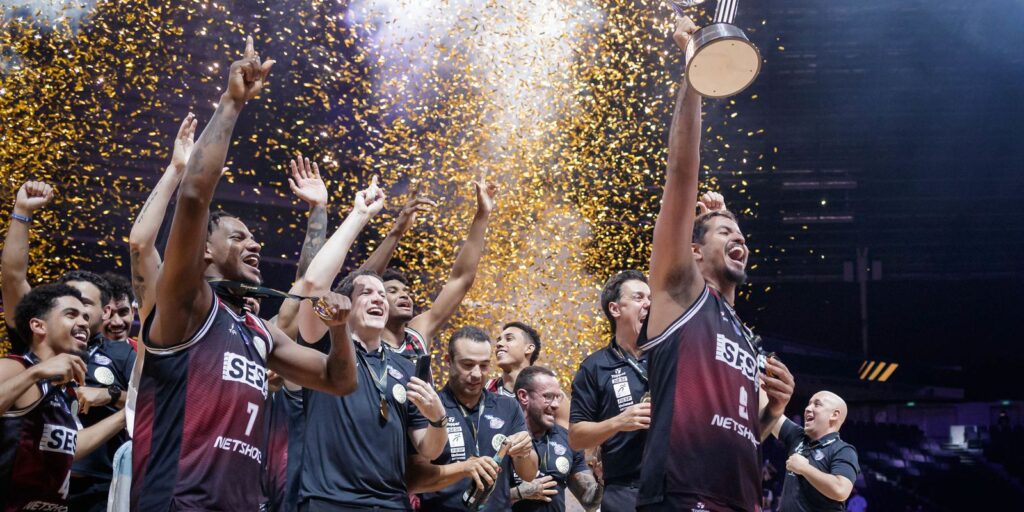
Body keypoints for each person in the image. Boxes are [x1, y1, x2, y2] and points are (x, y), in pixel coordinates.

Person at [130, 37, 359, 511]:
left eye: (253, 238)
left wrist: (339, 333)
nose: (254, 243)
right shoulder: (187, 305)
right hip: (177, 503)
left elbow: (338, 380)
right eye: (237, 237)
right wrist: (233, 102)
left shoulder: (258, 330)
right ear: (205, 254)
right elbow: (194, 195)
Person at [636, 15, 795, 511]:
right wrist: (694, 70)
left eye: (742, 234)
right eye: (726, 231)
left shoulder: (746, 336)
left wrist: (776, 409)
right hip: (682, 495)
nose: (739, 238)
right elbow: (682, 173)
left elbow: (749, 428)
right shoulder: (681, 292)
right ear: (695, 250)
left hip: (743, 499)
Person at [297, 270, 449, 511]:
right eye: (366, 293)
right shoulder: (325, 347)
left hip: (393, 504)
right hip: (331, 501)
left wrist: (438, 419)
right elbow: (313, 282)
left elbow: (429, 449)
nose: (379, 299)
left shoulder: (406, 368)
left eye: (381, 294)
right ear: (346, 303)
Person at [0, 284, 127, 511]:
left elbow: (68, 448)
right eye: (71, 314)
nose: (84, 323)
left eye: (86, 317)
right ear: (39, 326)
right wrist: (35, 372)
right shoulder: (15, 367)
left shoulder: (64, 388)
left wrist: (125, 415)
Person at [363, 176, 496, 361]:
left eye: (406, 291)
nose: (404, 296)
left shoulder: (417, 334)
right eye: (392, 291)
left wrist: (482, 214)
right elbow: (359, 281)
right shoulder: (359, 339)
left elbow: (461, 279)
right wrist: (397, 231)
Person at [409, 326, 538, 511]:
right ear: (448, 361)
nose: (477, 374)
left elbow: (529, 473)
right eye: (468, 365)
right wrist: (464, 468)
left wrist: (523, 452)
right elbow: (413, 480)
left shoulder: (508, 406)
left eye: (484, 365)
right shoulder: (429, 408)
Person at [568, 270, 651, 511]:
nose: (648, 303)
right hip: (624, 490)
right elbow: (576, 437)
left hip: (676, 486)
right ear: (615, 309)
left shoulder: (670, 356)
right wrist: (619, 421)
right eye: (638, 297)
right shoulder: (594, 366)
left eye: (650, 298)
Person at [511, 366, 601, 512]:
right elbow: (471, 498)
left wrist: (602, 479)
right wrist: (517, 493)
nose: (555, 405)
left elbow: (590, 503)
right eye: (547, 396)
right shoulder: (501, 435)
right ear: (523, 396)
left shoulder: (568, 439)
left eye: (557, 397)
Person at [771, 391, 860, 511]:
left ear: (834, 414)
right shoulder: (797, 437)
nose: (807, 408)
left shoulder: (843, 450)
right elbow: (770, 413)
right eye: (808, 404)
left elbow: (841, 490)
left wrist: (804, 468)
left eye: (817, 404)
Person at [487, 322, 541, 399]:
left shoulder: (546, 390)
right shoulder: (484, 390)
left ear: (529, 349)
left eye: (509, 339)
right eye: (498, 340)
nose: (499, 344)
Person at [100, 273, 136, 346]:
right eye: (108, 314)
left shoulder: (143, 354)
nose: (117, 322)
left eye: (123, 312)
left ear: (132, 313)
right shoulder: (80, 355)